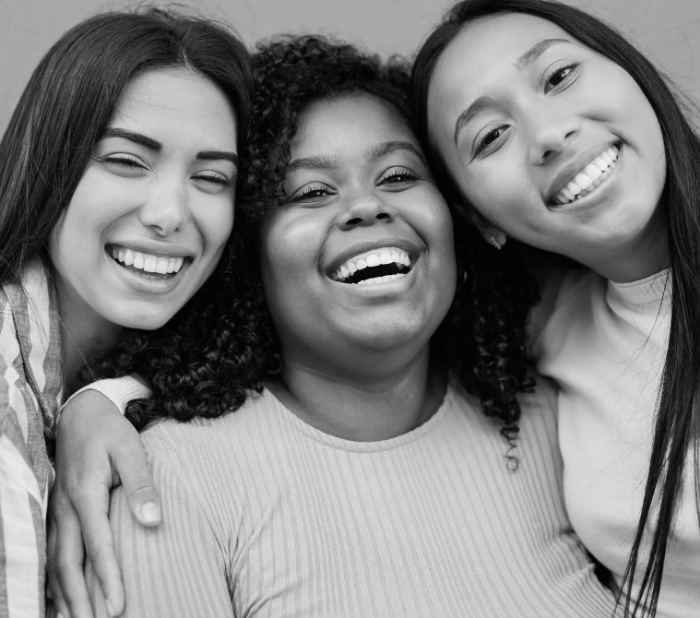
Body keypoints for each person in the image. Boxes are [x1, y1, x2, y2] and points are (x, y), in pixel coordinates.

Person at [74, 34, 619, 618]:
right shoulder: (168, 478)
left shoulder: (561, 427)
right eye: (311, 192)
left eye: (399, 177)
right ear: (247, 258)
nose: (367, 206)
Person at [411, 1, 700, 616]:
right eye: (490, 137)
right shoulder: (541, 328)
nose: (547, 135)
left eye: (559, 77)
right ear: (478, 218)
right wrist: (146, 402)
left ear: (629, 72)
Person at [0, 7, 253, 617]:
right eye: (125, 161)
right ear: (48, 162)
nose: (169, 212)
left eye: (212, 177)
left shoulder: (205, 355)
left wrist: (108, 396)